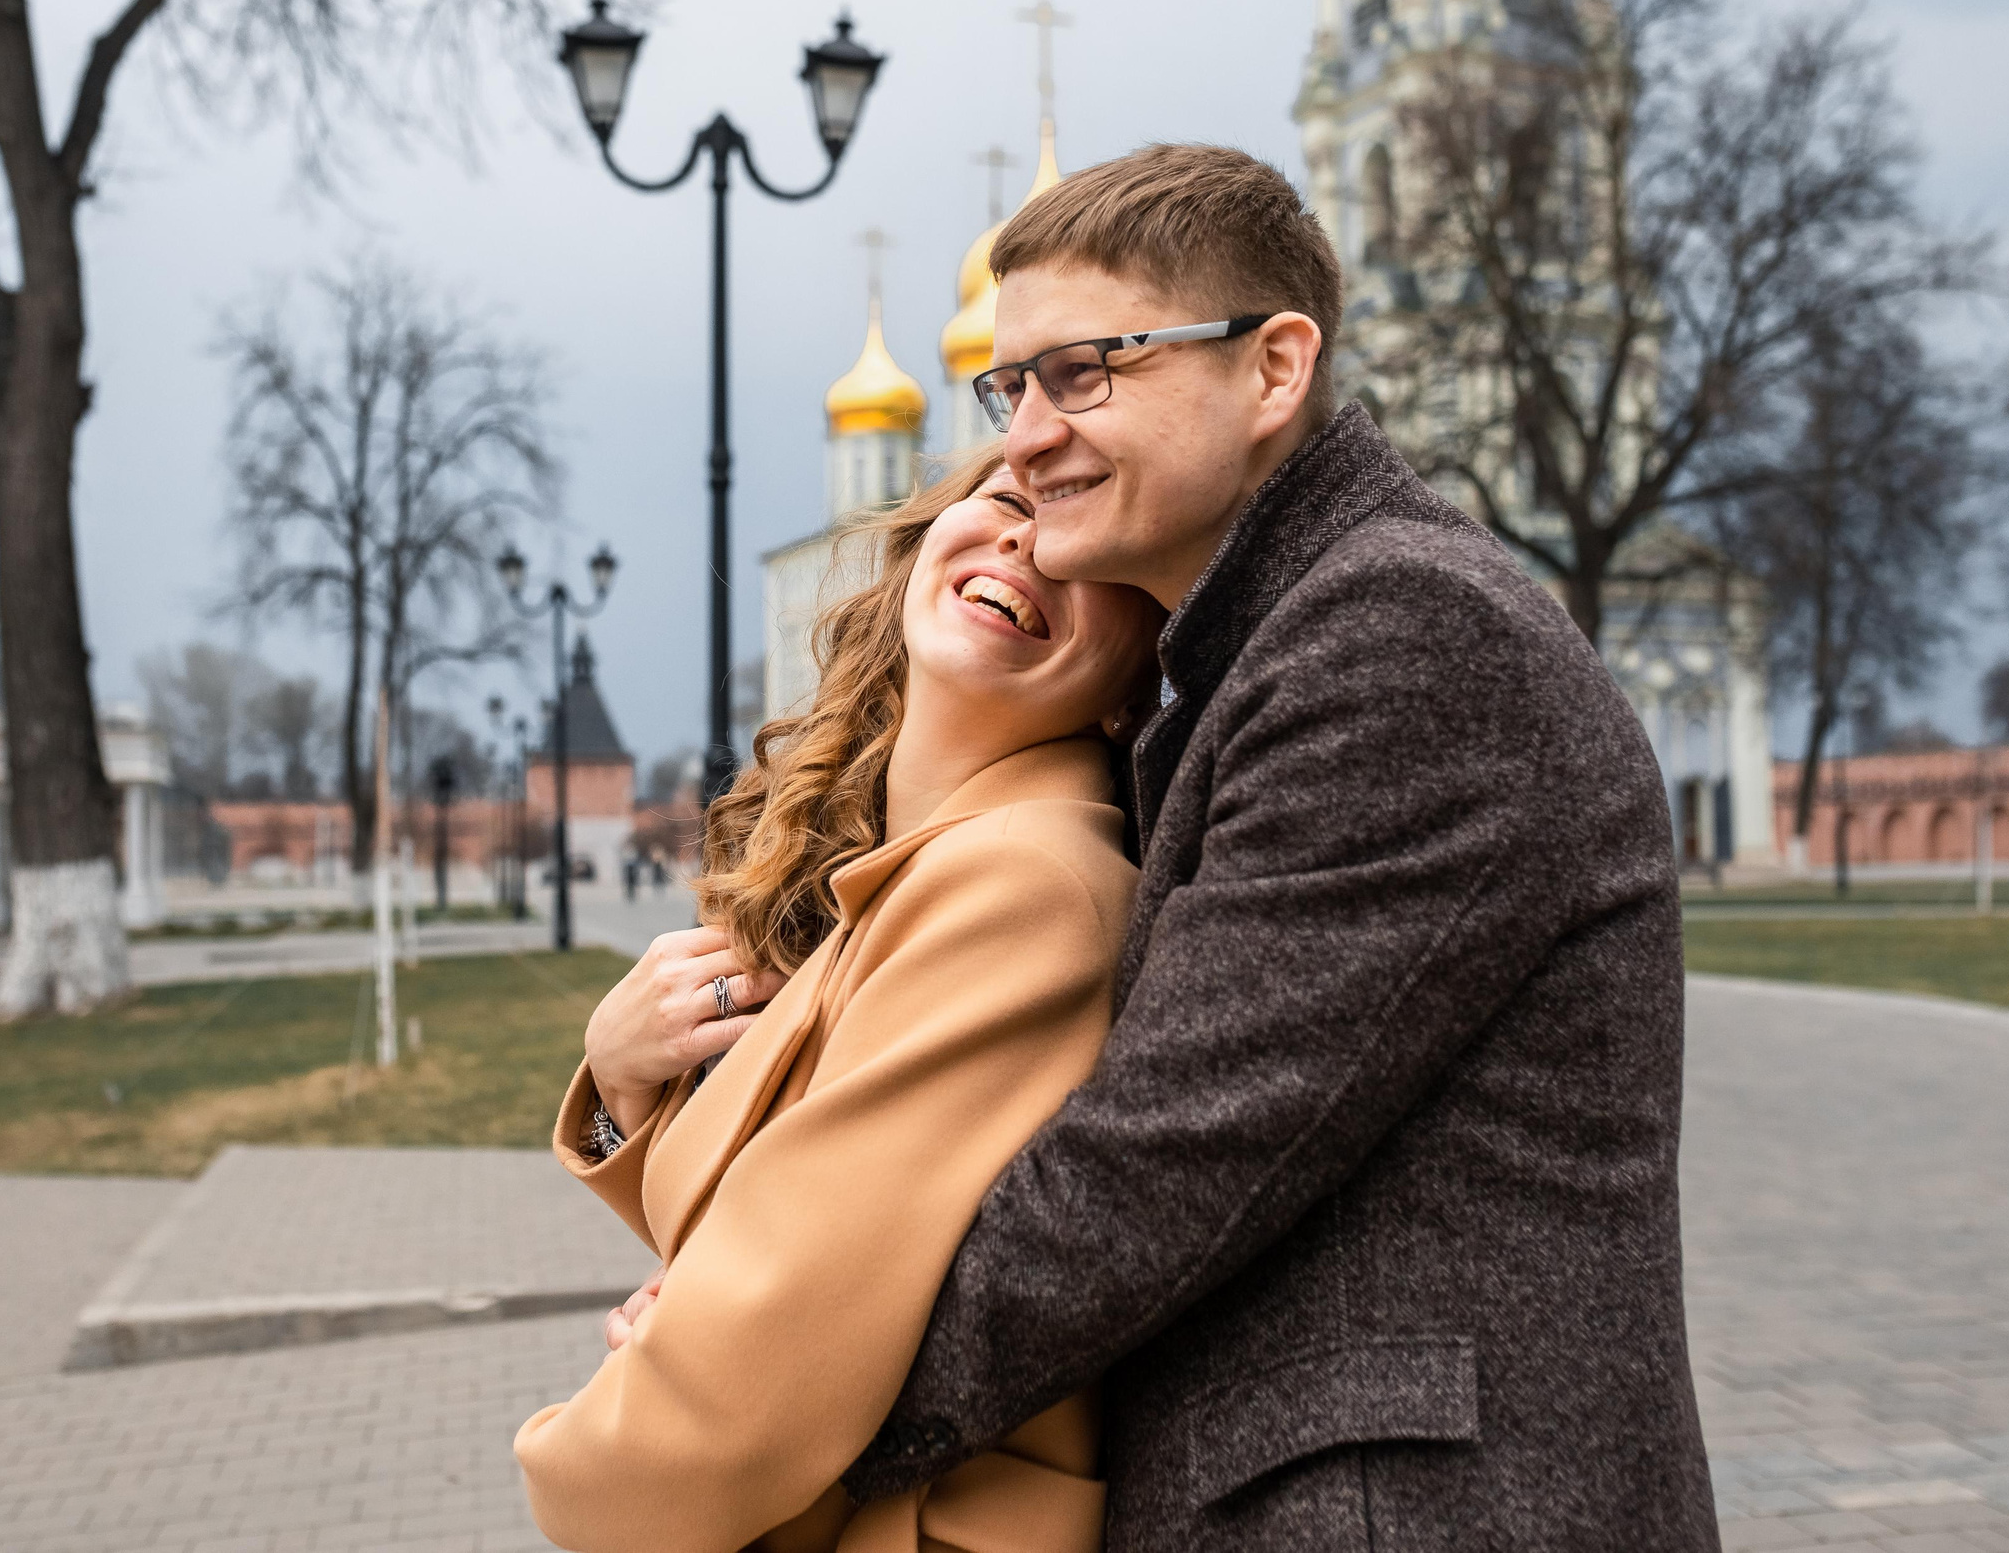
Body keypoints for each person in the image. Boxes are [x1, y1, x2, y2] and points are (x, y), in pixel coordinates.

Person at [599, 143, 1720, 1547]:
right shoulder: (1263, 652)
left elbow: (1156, 1166)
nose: (1023, 433)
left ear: (1273, 367)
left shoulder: (1402, 635)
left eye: (1088, 371)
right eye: (1011, 386)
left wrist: (777, 1409)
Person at [513, 448, 1165, 1553]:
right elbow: (817, 1243)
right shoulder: (896, 876)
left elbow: (757, 1383)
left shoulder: (1023, 883)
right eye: (1005, 499)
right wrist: (624, 1081)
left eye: (1082, 551)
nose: (1025, 540)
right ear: (922, 555)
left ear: (1127, 694)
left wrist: (565, 1455)